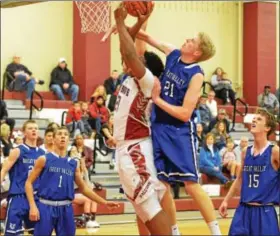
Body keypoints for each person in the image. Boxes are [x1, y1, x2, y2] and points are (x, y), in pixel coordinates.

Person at [137, 19, 222, 235]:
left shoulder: (196, 74)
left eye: (192, 40)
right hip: (159, 127)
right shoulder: (173, 53)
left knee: (191, 183)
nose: (187, 39)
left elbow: (185, 114)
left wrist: (158, 100)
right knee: (163, 183)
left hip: (179, 132)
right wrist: (139, 20)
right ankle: (174, 231)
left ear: (197, 51)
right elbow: (145, 37)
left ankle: (215, 231)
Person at [112, 5, 172, 235]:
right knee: (145, 210)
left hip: (135, 150)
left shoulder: (147, 80)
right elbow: (127, 50)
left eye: (140, 59)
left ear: (145, 67)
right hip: (126, 146)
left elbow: (129, 53)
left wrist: (119, 21)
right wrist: (137, 23)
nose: (133, 58)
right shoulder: (132, 78)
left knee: (150, 208)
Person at [25, 127, 118, 236]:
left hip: (66, 208)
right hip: (45, 206)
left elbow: (83, 188)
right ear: (54, 139)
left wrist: (104, 202)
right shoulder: (44, 159)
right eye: (59, 134)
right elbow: (28, 183)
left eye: (65, 134)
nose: (63, 136)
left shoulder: (73, 163)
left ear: (68, 139)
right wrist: (32, 206)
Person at [219, 108, 279, 235]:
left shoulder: (274, 151)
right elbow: (239, 179)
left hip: (264, 212)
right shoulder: (245, 152)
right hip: (243, 210)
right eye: (253, 118)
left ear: (267, 128)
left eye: (259, 119)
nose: (254, 120)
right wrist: (226, 200)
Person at [0, 120, 45, 235]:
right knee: (13, 233)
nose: (34, 130)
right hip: (18, 196)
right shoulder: (18, 151)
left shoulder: (42, 153)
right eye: (30, 128)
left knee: (39, 232)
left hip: (35, 198)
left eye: (35, 128)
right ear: (24, 132)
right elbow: (4, 170)